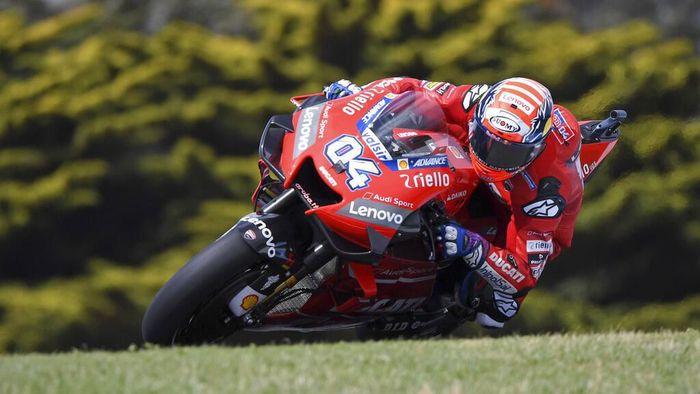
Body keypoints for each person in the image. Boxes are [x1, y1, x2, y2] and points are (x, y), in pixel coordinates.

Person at [323, 77, 584, 328]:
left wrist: (472, 246)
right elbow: (410, 86)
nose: (493, 157)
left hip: (518, 203)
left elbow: (524, 274)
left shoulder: (547, 190)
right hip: (467, 162)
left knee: (496, 311)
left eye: (507, 152)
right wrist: (361, 97)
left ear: (534, 149)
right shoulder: (475, 100)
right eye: (487, 141)